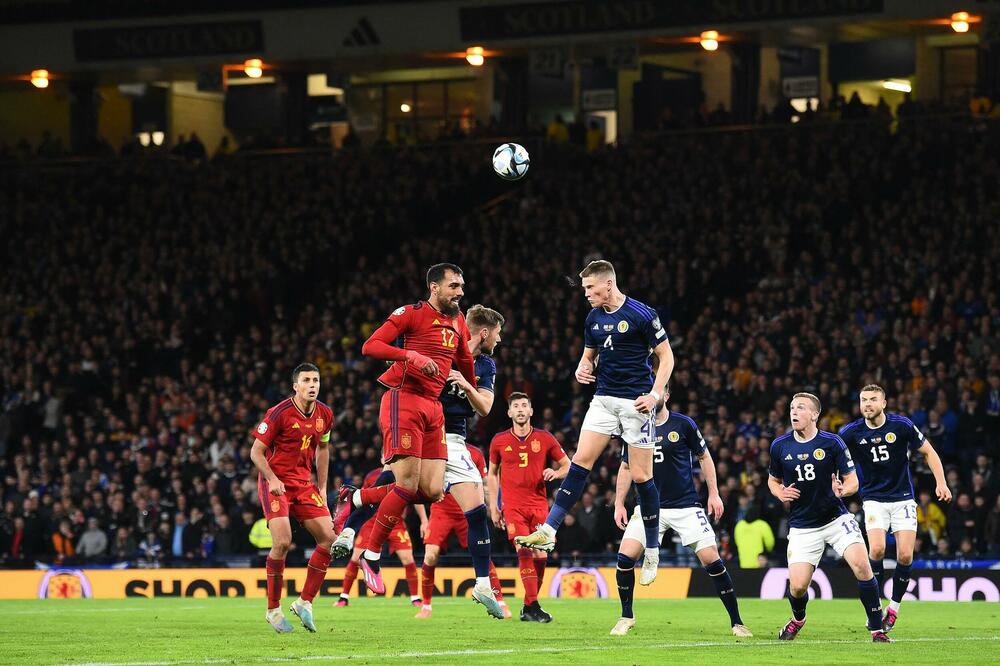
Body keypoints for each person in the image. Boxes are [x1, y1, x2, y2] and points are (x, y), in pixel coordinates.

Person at [336, 303, 504, 618]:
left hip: (454, 437)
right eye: (498, 333)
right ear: (485, 332)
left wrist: (465, 383)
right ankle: (352, 524)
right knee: (399, 483)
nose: (499, 340)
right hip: (420, 426)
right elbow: (394, 355)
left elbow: (484, 408)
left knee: (473, 509)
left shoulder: (485, 365)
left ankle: (482, 584)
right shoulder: (439, 344)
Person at [516, 260, 673, 587]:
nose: (585, 293)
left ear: (608, 285)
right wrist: (581, 367)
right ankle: (549, 529)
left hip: (636, 404)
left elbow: (667, 357)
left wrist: (656, 395)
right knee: (580, 462)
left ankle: (653, 550)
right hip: (603, 400)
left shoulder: (643, 315)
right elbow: (589, 356)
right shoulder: (593, 318)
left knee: (643, 476)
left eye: (590, 288)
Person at [354, 264, 479, 602]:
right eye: (454, 286)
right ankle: (371, 555)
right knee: (407, 485)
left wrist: (472, 388)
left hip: (434, 407)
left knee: (434, 490)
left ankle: (357, 498)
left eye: (462, 286)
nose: (460, 292)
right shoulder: (411, 314)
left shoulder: (458, 320)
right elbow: (370, 346)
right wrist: (409, 354)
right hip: (404, 400)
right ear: (434, 287)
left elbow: (465, 358)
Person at [610, 392, 751, 637]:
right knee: (624, 558)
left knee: (712, 561)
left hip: (686, 506)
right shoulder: (635, 426)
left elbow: (704, 457)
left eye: (655, 391)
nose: (650, 396)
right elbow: (625, 467)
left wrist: (714, 493)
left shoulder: (683, 424)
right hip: (648, 507)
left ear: (665, 394)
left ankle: (737, 622)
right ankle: (626, 616)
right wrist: (619, 503)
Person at [768, 393, 891, 643]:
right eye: (792, 407)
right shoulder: (780, 446)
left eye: (800, 407)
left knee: (862, 564)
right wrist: (780, 492)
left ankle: (877, 629)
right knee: (798, 587)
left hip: (836, 519)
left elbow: (853, 480)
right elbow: (772, 480)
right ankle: (798, 619)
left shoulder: (832, 443)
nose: (794, 411)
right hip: (803, 526)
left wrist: (844, 490)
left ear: (814, 415)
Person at [838, 384, 952, 631]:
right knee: (877, 550)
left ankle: (894, 609)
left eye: (873, 400)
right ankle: (874, 610)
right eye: (863, 400)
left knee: (905, 556)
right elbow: (830, 456)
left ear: (884, 403)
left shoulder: (901, 425)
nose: (867, 404)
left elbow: (929, 452)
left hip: (902, 498)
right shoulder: (850, 432)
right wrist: (836, 480)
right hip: (873, 499)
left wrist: (941, 483)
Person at [250, 363, 336, 634]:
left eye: (316, 380)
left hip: (304, 484)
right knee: (283, 542)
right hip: (275, 482)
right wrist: (273, 479)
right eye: (307, 380)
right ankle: (273, 610)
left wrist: (322, 487)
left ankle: (304, 602)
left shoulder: (325, 414)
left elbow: (323, 448)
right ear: (295, 386)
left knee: (330, 540)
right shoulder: (279, 413)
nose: (313, 385)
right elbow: (256, 452)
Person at [488, 392, 569, 622]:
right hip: (513, 506)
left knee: (541, 555)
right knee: (523, 550)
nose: (521, 409)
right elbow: (492, 475)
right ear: (510, 412)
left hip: (539, 505)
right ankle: (533, 606)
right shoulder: (499, 440)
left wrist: (555, 472)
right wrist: (494, 506)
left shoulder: (544, 438)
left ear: (531, 411)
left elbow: (567, 466)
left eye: (525, 405)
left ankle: (528, 606)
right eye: (516, 406)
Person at [416, 442, 508, 619]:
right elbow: (421, 482)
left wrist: (494, 507)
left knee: (483, 555)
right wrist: (423, 519)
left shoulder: (474, 453)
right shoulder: (433, 449)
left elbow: (483, 484)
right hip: (441, 510)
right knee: (430, 555)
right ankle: (426, 606)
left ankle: (501, 601)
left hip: (466, 511)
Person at [335, 469, 422, 608]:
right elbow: (364, 499)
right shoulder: (372, 476)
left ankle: (415, 598)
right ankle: (343, 597)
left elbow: (416, 495)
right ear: (383, 457)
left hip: (396, 521)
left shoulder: (405, 472)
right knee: (355, 558)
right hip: (372, 521)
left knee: (408, 558)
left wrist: (424, 519)